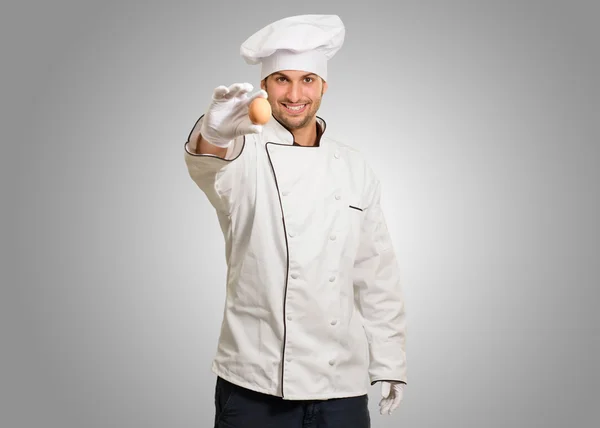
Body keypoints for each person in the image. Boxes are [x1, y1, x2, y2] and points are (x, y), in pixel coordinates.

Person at [183, 14, 407, 428]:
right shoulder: (242, 152)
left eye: (307, 80)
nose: (294, 94)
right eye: (282, 79)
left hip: (341, 386)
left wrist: (390, 361)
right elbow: (209, 171)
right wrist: (214, 135)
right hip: (254, 385)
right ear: (265, 87)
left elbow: (375, 273)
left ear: (324, 86)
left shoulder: (354, 167)